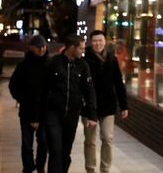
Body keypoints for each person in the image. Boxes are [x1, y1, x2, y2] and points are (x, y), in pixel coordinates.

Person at [43, 34, 98, 173]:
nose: (83, 51)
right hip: (53, 113)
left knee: (65, 151)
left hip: (72, 115)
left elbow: (89, 90)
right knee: (55, 149)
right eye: (81, 48)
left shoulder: (83, 65)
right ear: (72, 48)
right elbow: (43, 88)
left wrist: (92, 115)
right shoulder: (53, 63)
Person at [82, 30, 128, 173]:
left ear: (105, 41)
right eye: (95, 41)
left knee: (107, 138)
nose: (98, 43)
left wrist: (124, 105)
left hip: (108, 105)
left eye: (100, 40)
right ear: (91, 42)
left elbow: (118, 83)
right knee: (90, 141)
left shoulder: (111, 59)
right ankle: (90, 169)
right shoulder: (84, 60)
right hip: (89, 107)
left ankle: (105, 169)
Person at [9, 35, 50, 173]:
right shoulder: (24, 66)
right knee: (27, 144)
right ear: (32, 48)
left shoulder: (50, 65)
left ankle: (40, 166)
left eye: (44, 46)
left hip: (44, 112)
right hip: (27, 111)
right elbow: (13, 86)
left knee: (43, 142)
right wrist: (22, 99)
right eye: (38, 47)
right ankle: (27, 167)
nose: (42, 49)